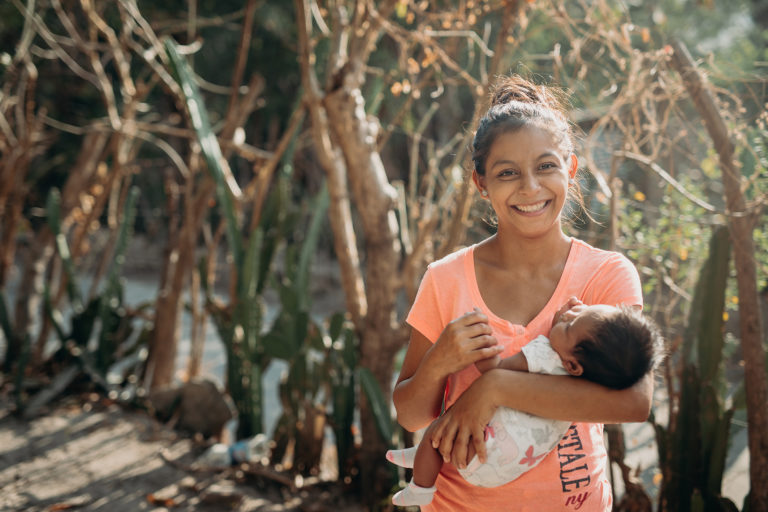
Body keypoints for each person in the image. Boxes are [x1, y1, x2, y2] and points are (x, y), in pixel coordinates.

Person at [391, 74, 655, 511]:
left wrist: (493, 388)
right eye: (507, 173)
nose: (530, 187)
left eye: (546, 166)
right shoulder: (446, 279)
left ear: (570, 170)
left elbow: (633, 402)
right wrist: (440, 360)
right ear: (481, 184)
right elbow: (411, 414)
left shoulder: (604, 275)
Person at [387, 300, 664, 506]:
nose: (567, 315)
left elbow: (494, 368)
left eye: (568, 325)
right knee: (439, 440)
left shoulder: (546, 355)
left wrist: (479, 345)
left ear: (571, 364)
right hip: (506, 464)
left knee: (438, 433)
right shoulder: (591, 381)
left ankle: (420, 487)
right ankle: (423, 456)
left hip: (487, 449)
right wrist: (571, 327)